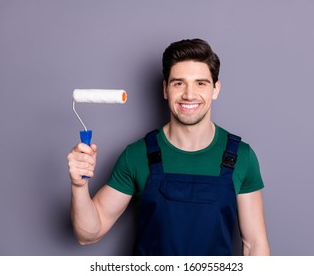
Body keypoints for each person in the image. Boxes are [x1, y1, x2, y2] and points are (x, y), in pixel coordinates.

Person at [67, 38, 270, 256]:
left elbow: (255, 245)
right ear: (165, 89)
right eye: (178, 83)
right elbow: (88, 234)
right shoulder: (137, 155)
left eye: (200, 83)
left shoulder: (241, 156)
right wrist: (79, 187)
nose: (189, 94)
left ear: (215, 89)